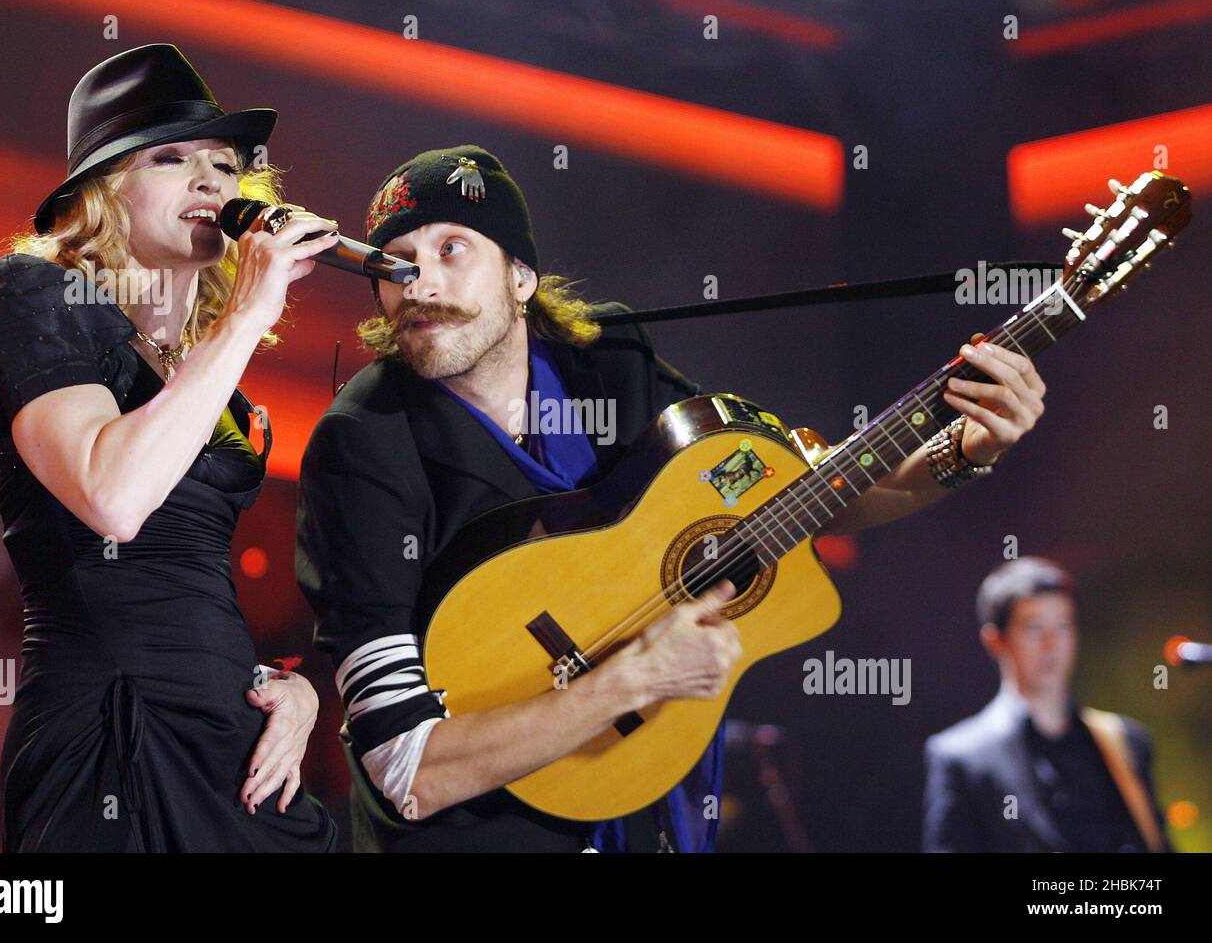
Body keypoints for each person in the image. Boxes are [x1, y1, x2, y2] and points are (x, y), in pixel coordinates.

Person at [296, 145, 1046, 852]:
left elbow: (801, 494)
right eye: (395, 263)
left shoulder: (610, 366)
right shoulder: (362, 444)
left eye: (451, 248)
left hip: (649, 809)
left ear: (520, 277)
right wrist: (638, 676)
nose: (418, 281)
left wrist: (962, 453)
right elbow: (406, 770)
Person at [0, 43, 341, 851]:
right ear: (102, 191)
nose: (211, 181)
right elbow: (115, 498)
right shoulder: (33, 296)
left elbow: (191, 580)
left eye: (225, 163)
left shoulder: (208, 372)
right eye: (172, 158)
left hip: (227, 743)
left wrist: (289, 690)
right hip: (112, 735)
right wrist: (245, 315)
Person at [922, 557, 1168, 852]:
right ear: (996, 640)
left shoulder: (1126, 741)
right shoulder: (961, 757)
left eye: (1064, 626)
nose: (1053, 644)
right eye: (1034, 628)